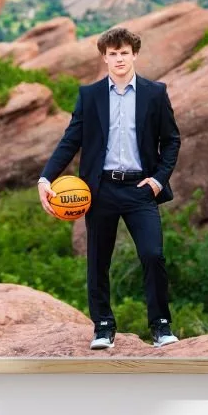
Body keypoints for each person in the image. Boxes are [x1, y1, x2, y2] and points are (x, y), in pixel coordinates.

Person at [37, 26, 182, 350]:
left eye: (124, 52)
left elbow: (171, 140)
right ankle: (103, 327)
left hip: (140, 190)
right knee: (98, 260)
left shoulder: (154, 93)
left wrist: (158, 180)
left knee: (152, 254)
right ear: (104, 57)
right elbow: (70, 140)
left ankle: (160, 326)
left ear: (134, 55)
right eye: (113, 53)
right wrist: (46, 178)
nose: (119, 58)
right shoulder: (89, 96)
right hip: (99, 190)